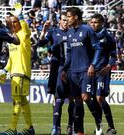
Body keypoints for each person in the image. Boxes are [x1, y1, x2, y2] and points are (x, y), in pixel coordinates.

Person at [61, 7, 103, 135]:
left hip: (86, 70)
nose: (67, 19)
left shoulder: (87, 30)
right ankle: (80, 131)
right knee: (77, 100)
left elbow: (98, 48)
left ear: (76, 17)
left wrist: (92, 65)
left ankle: (98, 121)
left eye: (69, 16)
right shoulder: (69, 33)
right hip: (73, 71)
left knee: (85, 97)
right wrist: (64, 69)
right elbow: (69, 53)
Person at [0, 3, 35, 135]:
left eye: (16, 21)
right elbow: (11, 59)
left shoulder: (23, 33)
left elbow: (24, 25)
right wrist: (5, 71)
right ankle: (29, 128)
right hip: (15, 73)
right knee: (23, 101)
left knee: (16, 100)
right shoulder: (11, 39)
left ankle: (12, 129)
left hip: (22, 72)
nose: (14, 23)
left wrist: (19, 15)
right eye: (11, 22)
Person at [38, 12, 74, 135]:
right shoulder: (53, 32)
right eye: (63, 20)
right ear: (59, 21)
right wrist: (43, 30)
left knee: (72, 98)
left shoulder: (73, 32)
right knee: (57, 98)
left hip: (71, 69)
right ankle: (56, 127)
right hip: (57, 68)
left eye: (67, 20)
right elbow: (41, 44)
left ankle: (70, 125)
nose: (65, 22)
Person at [89, 13, 117, 135]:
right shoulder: (88, 35)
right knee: (93, 100)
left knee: (100, 98)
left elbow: (114, 55)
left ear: (101, 23)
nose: (93, 24)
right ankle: (99, 127)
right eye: (92, 22)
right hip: (90, 71)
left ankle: (111, 127)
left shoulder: (108, 37)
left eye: (95, 22)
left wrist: (109, 66)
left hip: (102, 71)